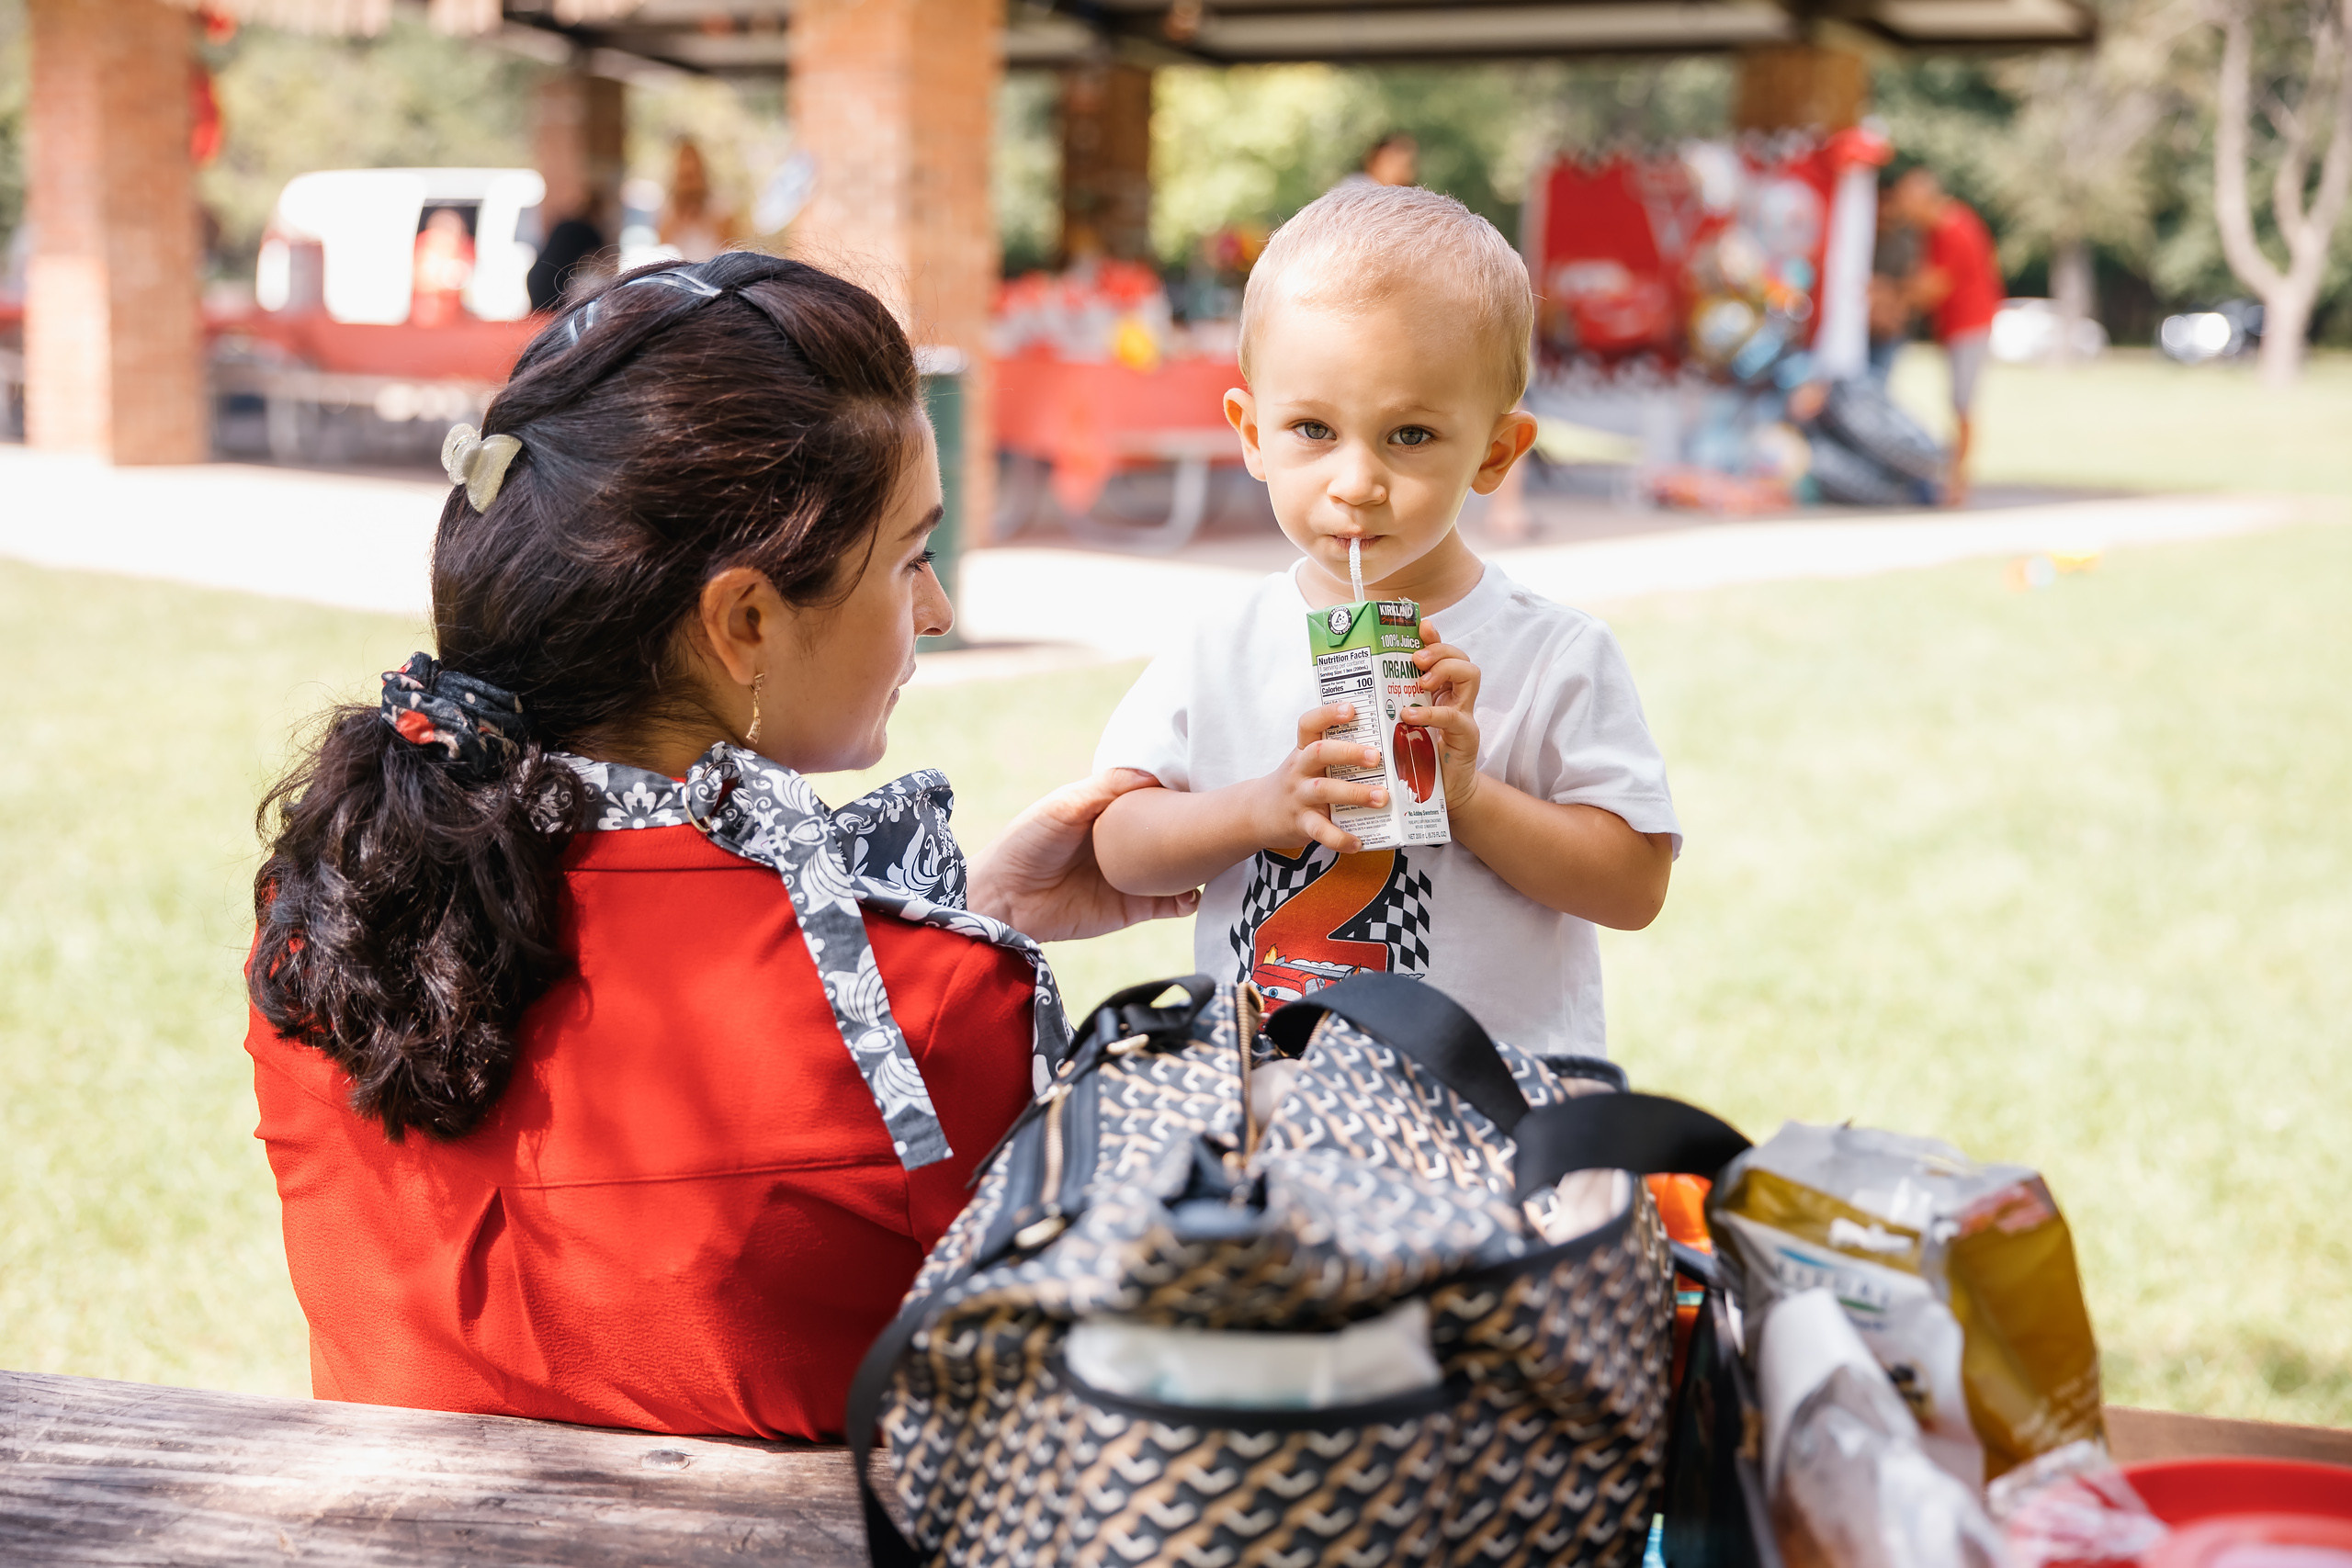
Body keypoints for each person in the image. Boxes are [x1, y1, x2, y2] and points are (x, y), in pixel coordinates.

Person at [244, 252, 1192, 1442]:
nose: (936, 610)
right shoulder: (938, 1010)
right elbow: (1054, 1427)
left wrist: (957, 913)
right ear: (745, 621)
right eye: (910, 556)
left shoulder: (334, 910)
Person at [1087, 185, 1681, 1057]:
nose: (1355, 482)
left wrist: (1468, 797)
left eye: (1409, 435)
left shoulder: (1555, 656)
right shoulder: (1221, 645)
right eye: (1313, 429)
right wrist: (1261, 807)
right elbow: (1119, 846)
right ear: (1252, 434)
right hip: (1268, 1102)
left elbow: (1634, 889)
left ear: (1496, 451)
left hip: (1486, 1119)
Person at [1890, 166, 2001, 505]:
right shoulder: (1938, 230)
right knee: (1957, 403)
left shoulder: (1954, 228)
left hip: (1970, 326)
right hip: (1956, 327)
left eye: (1907, 200)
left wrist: (1891, 296)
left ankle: (1957, 485)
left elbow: (1934, 286)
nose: (1903, 209)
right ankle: (1953, 479)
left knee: (1963, 404)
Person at [659, 140, 739, 263]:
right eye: (684, 177)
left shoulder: (720, 206)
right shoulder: (667, 209)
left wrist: (704, 218)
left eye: (693, 176)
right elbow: (662, 246)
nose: (689, 185)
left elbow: (731, 246)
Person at [410, 207, 475, 328]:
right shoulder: (424, 246)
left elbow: (473, 277)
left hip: (460, 319)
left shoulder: (466, 247)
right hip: (426, 318)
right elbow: (419, 278)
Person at [1338, 130, 1419, 189]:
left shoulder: (1406, 194)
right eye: (1390, 160)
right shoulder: (1356, 184)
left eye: (1405, 165)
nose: (1398, 169)